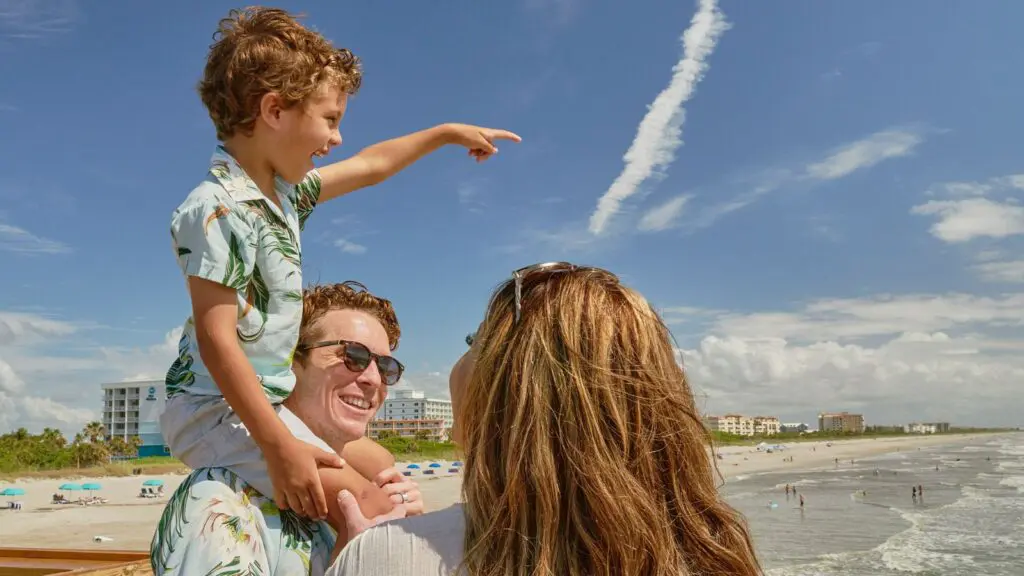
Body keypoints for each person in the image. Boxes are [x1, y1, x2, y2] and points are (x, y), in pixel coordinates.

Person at [160, 5, 521, 541]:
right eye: (330, 119)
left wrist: (446, 132)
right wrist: (280, 447)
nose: (336, 139)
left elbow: (373, 166)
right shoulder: (218, 207)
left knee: (378, 460)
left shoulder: (281, 197)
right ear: (274, 110)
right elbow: (217, 342)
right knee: (368, 502)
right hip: (217, 413)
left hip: (268, 405)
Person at [329, 263, 762, 575]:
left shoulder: (384, 558)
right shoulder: (713, 554)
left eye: (473, 340)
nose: (372, 380)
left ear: (502, 390)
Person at [152, 282, 420, 574]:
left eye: (385, 367)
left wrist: (406, 517)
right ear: (289, 365)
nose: (374, 379)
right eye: (353, 357)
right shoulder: (221, 503)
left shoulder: (365, 485)